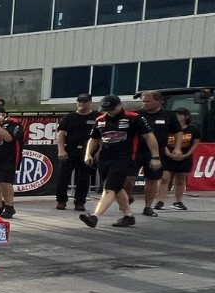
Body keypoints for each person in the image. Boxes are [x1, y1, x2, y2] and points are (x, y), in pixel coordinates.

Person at [81, 96, 162, 229]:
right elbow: (93, 139)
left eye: (112, 109)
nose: (109, 112)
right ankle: (128, 216)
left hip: (124, 158)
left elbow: (149, 136)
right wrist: (88, 154)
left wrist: (155, 156)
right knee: (117, 188)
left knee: (109, 189)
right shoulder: (100, 120)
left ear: (120, 105)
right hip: (104, 158)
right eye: (106, 109)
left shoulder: (134, 118)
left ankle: (95, 217)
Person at [54, 93, 99, 211]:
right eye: (79, 101)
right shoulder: (69, 117)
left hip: (87, 151)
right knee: (63, 176)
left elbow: (100, 136)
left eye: (84, 101)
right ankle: (61, 200)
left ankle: (80, 202)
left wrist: (99, 150)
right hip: (70, 150)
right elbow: (61, 134)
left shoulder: (96, 117)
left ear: (90, 102)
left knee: (83, 177)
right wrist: (61, 149)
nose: (82, 104)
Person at [161, 108, 196, 210]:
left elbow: (195, 143)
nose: (178, 116)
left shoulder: (193, 129)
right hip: (167, 157)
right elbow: (162, 140)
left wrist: (187, 154)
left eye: (180, 114)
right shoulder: (167, 128)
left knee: (180, 180)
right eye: (176, 114)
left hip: (184, 157)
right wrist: (168, 153)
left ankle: (178, 201)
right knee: (164, 179)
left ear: (186, 116)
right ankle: (160, 200)